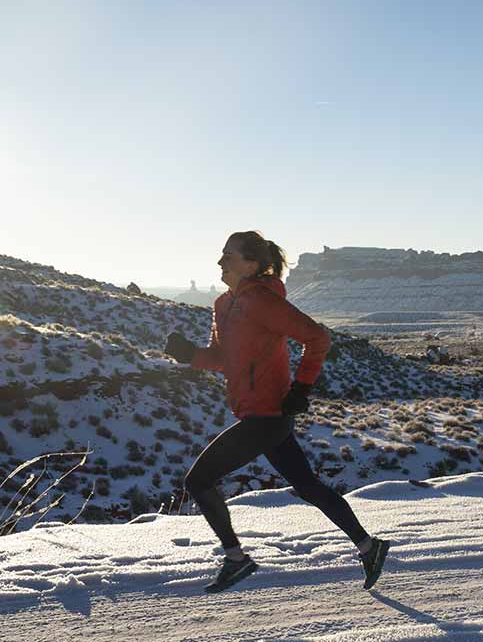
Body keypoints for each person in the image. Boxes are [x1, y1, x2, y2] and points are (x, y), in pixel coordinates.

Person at [165, 230, 390, 593]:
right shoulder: (224, 305)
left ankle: (237, 560)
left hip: (268, 416)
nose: (220, 262)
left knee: (198, 481)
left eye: (229, 256)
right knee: (307, 486)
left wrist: (301, 388)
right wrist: (189, 354)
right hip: (255, 413)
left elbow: (318, 338)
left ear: (251, 265)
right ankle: (369, 546)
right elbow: (222, 360)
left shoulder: (262, 301)